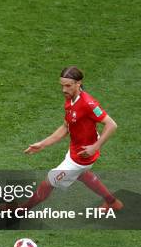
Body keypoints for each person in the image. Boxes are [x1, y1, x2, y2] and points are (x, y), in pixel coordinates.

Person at [7, 66, 122, 211]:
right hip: (76, 150)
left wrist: (95, 147)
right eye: (62, 85)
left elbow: (111, 125)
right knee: (81, 175)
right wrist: (43, 144)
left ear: (78, 83)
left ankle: (21, 210)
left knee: (48, 182)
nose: (64, 89)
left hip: (81, 157)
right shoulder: (70, 100)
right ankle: (112, 202)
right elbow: (66, 127)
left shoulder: (88, 103)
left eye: (68, 85)